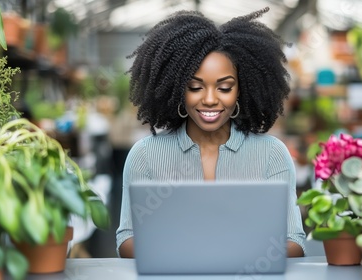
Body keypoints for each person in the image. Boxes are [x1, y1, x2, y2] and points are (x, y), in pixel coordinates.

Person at [116, 7, 306, 258]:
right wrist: (197, 253)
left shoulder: (272, 155)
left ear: (241, 89)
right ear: (178, 89)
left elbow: (294, 241)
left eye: (224, 88)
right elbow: (126, 239)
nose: (209, 99)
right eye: (195, 87)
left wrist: (225, 254)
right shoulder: (145, 156)